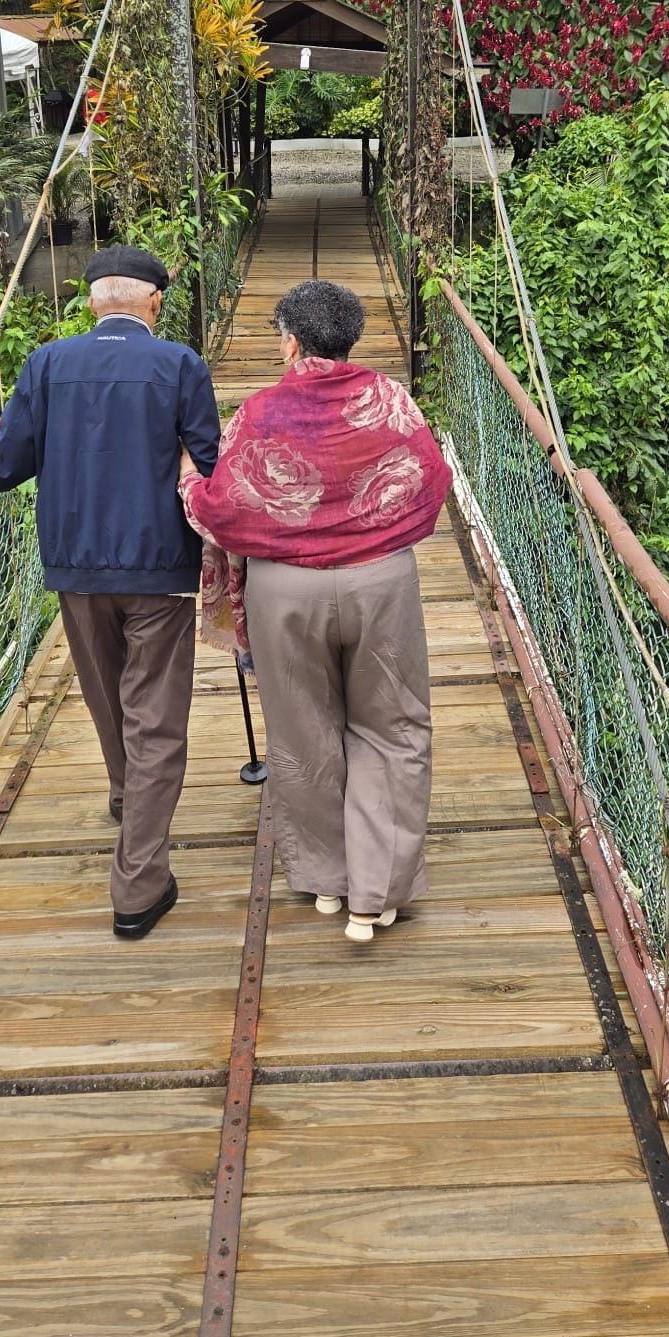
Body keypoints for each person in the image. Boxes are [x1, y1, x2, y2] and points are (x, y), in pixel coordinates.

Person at [0, 246, 219, 941]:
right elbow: (209, 463)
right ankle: (138, 885)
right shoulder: (180, 365)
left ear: (92, 302)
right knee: (153, 716)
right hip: (157, 565)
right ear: (154, 302)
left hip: (74, 567)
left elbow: (6, 461)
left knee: (104, 696)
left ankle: (129, 797)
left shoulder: (48, 364)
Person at [179, 279, 451, 944]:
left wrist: (187, 476)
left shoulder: (260, 411)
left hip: (285, 591)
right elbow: (432, 482)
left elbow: (222, 511)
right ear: (351, 338)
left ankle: (328, 880)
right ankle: (377, 896)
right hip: (380, 583)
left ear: (290, 341)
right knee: (392, 729)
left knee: (301, 732)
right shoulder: (390, 400)